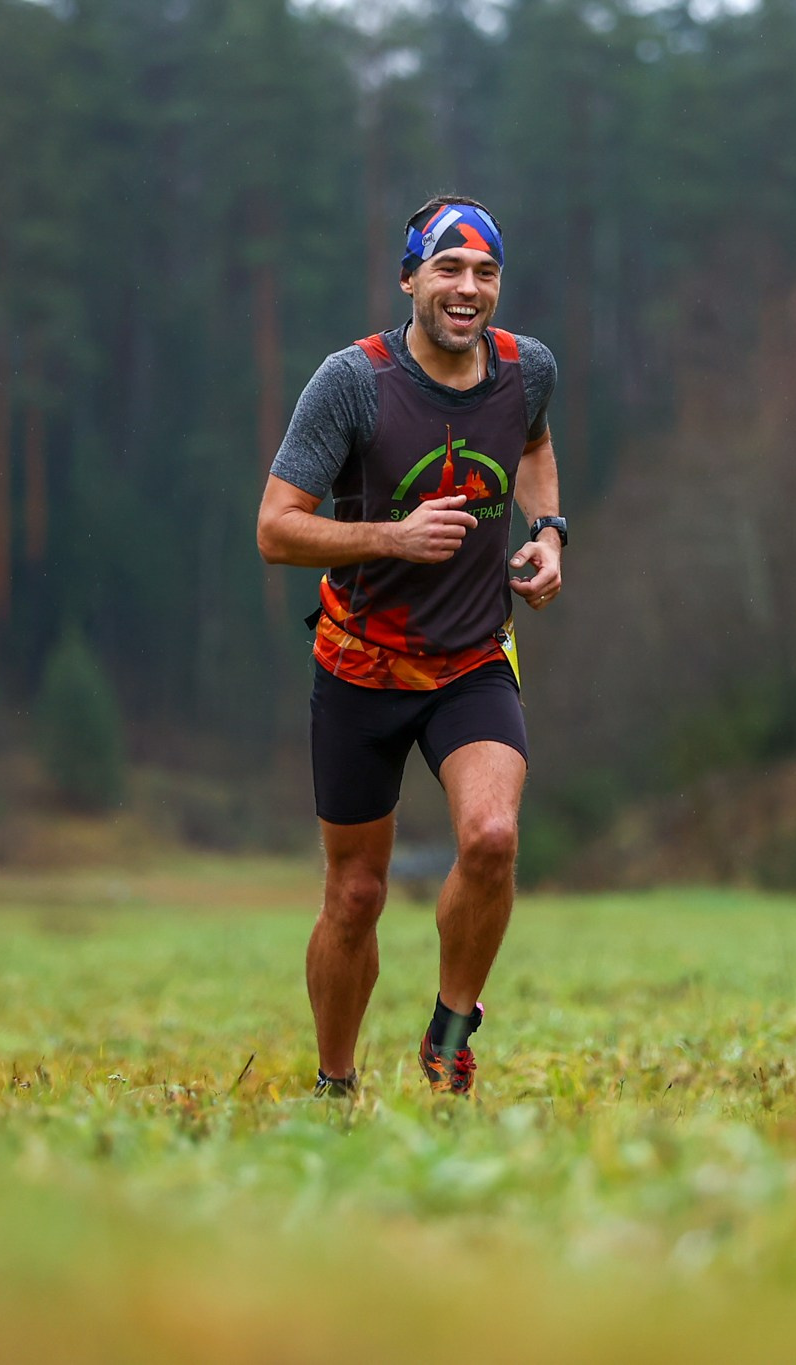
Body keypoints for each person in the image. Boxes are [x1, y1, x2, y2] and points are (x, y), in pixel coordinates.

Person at [257, 195, 568, 1100]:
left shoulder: (527, 369)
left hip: (472, 657)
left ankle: (451, 1030)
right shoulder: (352, 382)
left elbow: (537, 444)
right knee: (355, 894)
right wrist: (391, 537)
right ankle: (336, 1081)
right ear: (411, 281)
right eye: (448, 270)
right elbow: (276, 530)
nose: (468, 289)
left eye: (485, 274)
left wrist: (548, 532)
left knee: (494, 835)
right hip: (360, 665)